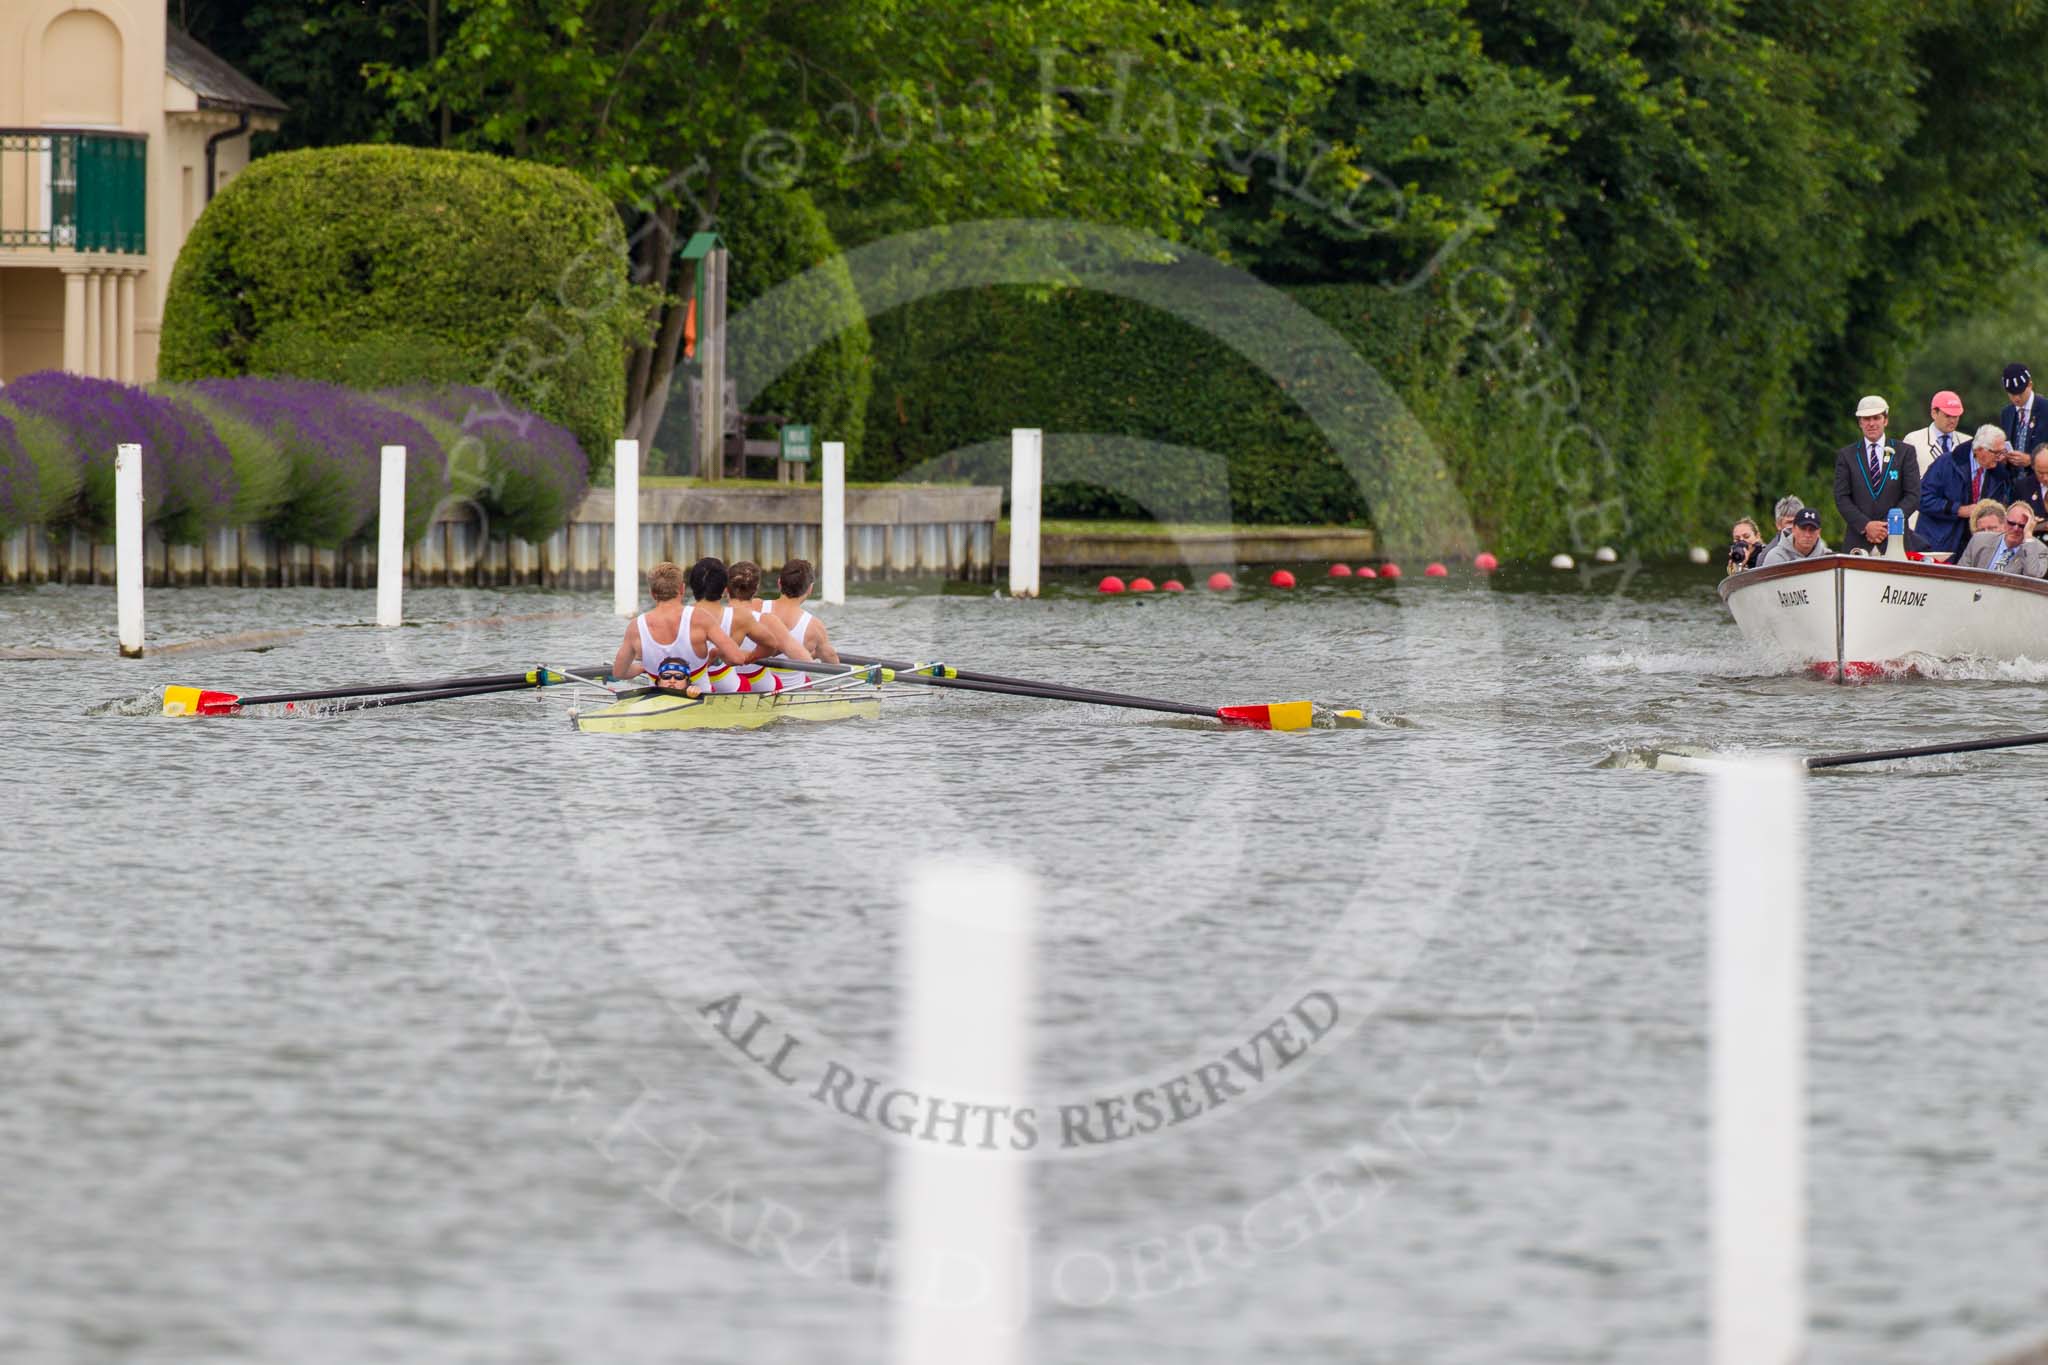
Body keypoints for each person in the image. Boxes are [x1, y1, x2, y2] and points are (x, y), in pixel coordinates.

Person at [612, 560, 724, 690]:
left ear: (652, 593)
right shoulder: (700, 617)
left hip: (657, 702)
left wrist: (644, 668)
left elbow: (619, 673)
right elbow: (736, 658)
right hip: (699, 698)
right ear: (682, 589)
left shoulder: (636, 626)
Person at [1833, 394, 1919, 552]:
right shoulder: (1847, 455)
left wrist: (1888, 524)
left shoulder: (1905, 452)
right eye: (1866, 419)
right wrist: (1866, 525)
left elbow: (1913, 495)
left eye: (1876, 418)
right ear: (1860, 422)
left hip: (1895, 539)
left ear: (1885, 420)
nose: (1871, 424)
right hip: (1858, 541)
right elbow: (1841, 497)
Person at [1919, 425, 2016, 558]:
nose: (2000, 458)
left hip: (1977, 546)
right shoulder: (1946, 463)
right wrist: (1959, 510)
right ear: (1979, 450)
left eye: (2003, 452)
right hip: (1940, 543)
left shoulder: (1999, 474)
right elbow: (1922, 499)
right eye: (1996, 453)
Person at [1900, 391, 1968, 529]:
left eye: (1956, 416)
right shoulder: (1913, 440)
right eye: (1948, 415)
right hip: (1920, 519)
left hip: (1956, 523)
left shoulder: (1968, 443)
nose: (1953, 420)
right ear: (1934, 413)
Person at [1956, 503, 2048, 577]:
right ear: (2004, 521)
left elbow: (2032, 575)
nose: (2016, 529)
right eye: (2011, 523)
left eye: (2022, 526)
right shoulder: (1979, 540)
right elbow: (1960, 574)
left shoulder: (2040, 550)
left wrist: (2028, 536)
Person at [2001, 364, 2048, 464]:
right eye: (2012, 394)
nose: (2016, 398)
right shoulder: (2006, 413)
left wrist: (2032, 460)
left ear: (2030, 385)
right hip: (2012, 478)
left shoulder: (2045, 409)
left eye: (2020, 393)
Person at [1759, 508, 1829, 566]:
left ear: (1819, 532)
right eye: (1803, 529)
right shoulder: (1775, 557)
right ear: (1793, 529)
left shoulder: (1829, 558)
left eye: (1812, 530)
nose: (1807, 535)